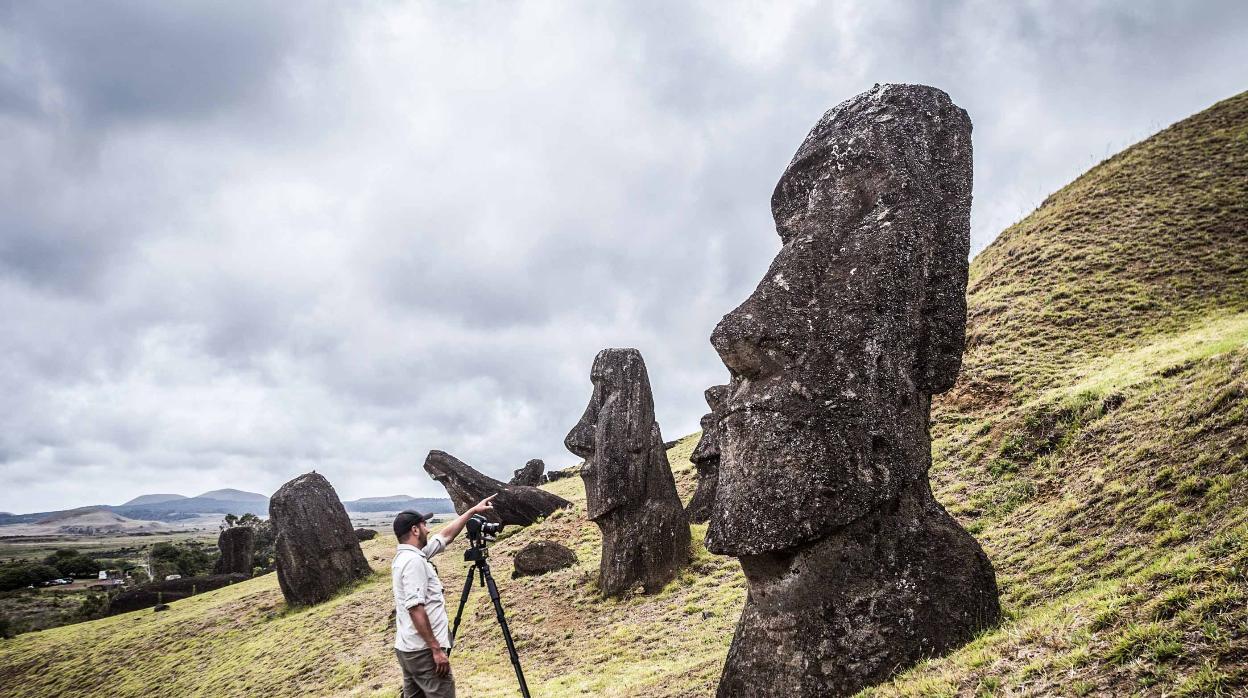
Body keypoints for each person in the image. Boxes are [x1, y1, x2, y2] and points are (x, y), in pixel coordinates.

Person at [392, 495, 496, 698]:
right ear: (415, 530)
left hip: (408, 650)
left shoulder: (408, 556)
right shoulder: (414, 562)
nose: (428, 530)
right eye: (424, 525)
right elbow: (415, 608)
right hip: (424, 652)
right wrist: (436, 650)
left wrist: (472, 511)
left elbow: (445, 537)